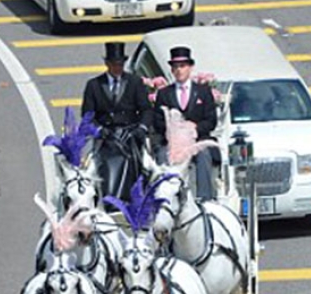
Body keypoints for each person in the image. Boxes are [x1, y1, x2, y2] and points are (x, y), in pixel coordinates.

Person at [81, 41, 153, 201]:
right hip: (106, 137)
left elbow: (146, 109)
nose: (117, 68)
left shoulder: (135, 82)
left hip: (130, 135)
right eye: (114, 64)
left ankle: (143, 194)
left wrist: (141, 128)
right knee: (88, 168)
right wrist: (99, 130)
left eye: (120, 64)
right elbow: (87, 115)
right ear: (107, 64)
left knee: (148, 167)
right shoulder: (94, 85)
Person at [152, 45, 218, 199]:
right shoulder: (164, 93)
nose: (179, 70)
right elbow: (157, 121)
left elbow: (211, 120)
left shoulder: (203, 92)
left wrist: (194, 129)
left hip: (197, 140)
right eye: (175, 67)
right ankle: (165, 197)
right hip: (172, 143)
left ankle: (205, 198)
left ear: (190, 67)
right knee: (162, 157)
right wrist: (173, 130)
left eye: (183, 66)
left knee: (203, 155)